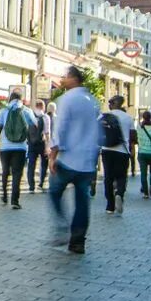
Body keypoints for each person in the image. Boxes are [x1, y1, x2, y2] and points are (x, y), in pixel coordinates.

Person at [47, 66, 101, 254]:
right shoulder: (93, 101)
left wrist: (53, 155)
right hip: (87, 161)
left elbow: (60, 129)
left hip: (68, 158)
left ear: (73, 78)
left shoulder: (67, 99)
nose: (62, 79)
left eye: (65, 76)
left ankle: (62, 225)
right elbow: (98, 131)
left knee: (54, 191)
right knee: (82, 200)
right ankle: (78, 241)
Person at [0, 92, 37, 210]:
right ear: (22, 100)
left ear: (10, 99)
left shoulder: (3, 111)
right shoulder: (27, 111)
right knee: (17, 173)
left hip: (5, 148)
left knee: (5, 171)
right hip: (20, 147)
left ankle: (4, 195)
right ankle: (15, 201)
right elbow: (34, 127)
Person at [100, 95, 135, 215]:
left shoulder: (103, 116)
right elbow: (133, 137)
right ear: (122, 104)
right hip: (122, 150)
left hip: (107, 149)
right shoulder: (128, 118)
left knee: (108, 177)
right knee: (121, 176)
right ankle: (119, 193)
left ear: (111, 104)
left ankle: (110, 206)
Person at [26, 100, 50, 193]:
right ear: (42, 107)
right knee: (44, 163)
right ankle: (41, 183)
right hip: (42, 143)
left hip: (31, 143)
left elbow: (26, 130)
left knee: (31, 164)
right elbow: (47, 132)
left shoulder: (30, 116)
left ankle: (31, 186)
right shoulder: (45, 117)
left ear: (35, 106)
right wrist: (48, 146)